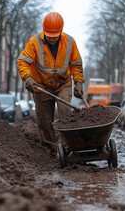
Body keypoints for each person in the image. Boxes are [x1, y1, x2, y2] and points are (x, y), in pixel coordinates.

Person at [17, 12, 85, 155]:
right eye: (49, 36)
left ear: (60, 31)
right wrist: (28, 78)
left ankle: (66, 148)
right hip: (41, 86)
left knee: (66, 113)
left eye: (55, 36)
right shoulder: (34, 42)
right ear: (44, 31)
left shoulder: (69, 42)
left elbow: (76, 64)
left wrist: (78, 83)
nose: (52, 39)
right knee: (44, 120)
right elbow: (22, 61)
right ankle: (51, 151)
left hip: (63, 84)